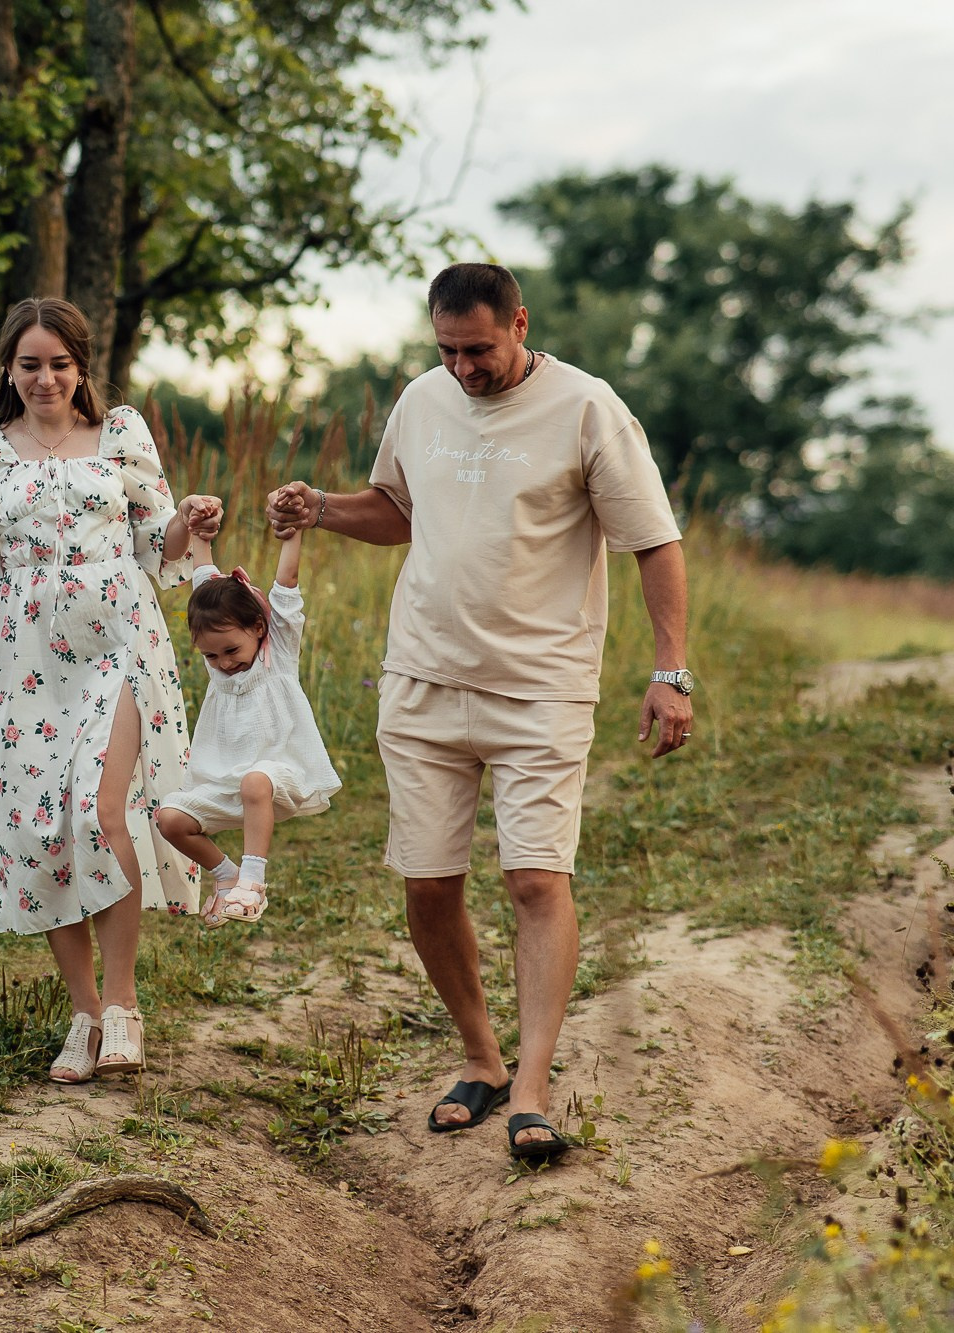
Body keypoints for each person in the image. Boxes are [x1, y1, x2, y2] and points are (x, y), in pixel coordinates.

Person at [267, 262, 693, 1163]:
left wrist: (671, 671)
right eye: (448, 351)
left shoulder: (588, 408)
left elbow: (654, 538)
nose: (463, 369)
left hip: (540, 685)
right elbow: (396, 511)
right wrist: (324, 508)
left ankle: (533, 1089)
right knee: (428, 882)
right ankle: (481, 1056)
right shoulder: (423, 400)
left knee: (536, 878)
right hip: (422, 678)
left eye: (479, 351)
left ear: (520, 324)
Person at [0, 297, 221, 1085]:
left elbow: (161, 544)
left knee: (101, 809)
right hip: (23, 653)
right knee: (45, 827)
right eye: (28, 365)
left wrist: (191, 517)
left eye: (58, 363)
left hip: (118, 635)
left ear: (81, 365)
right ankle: (83, 1012)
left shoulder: (121, 432)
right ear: (7, 370)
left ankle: (122, 1004)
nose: (45, 378)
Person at [155, 518, 341, 927]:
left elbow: (287, 583)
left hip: (278, 777)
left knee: (255, 781)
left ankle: (253, 883)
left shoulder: (279, 654)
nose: (223, 663)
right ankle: (226, 877)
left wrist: (293, 533)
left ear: (259, 628)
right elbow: (203, 581)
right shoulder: (221, 669)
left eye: (230, 650)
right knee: (169, 819)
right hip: (222, 782)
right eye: (210, 656)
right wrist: (201, 537)